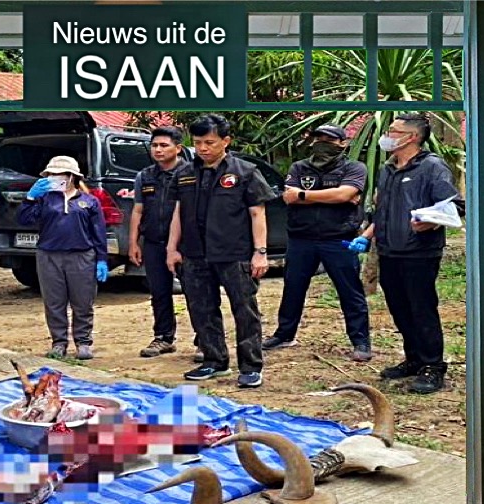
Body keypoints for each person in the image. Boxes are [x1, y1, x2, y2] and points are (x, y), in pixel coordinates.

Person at [348, 113, 463, 394]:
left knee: (421, 309)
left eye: (394, 130)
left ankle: (433, 366)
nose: (387, 134)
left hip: (419, 253)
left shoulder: (432, 168)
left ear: (412, 137)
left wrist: (432, 221)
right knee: (399, 308)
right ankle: (413, 359)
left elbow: (455, 206)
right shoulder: (388, 168)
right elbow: (381, 209)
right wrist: (365, 237)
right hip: (389, 250)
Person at [166, 114, 276, 389]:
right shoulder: (184, 173)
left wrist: (260, 252)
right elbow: (178, 212)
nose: (203, 148)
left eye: (210, 142)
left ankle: (251, 366)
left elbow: (257, 213)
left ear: (226, 141)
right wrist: (172, 248)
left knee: (245, 310)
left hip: (234, 254)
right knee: (201, 309)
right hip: (195, 254)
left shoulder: (245, 171)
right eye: (198, 142)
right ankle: (214, 360)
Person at [263, 124, 372, 362]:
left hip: (339, 239)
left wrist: (304, 196)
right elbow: (288, 197)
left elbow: (344, 194)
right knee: (293, 289)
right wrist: (332, 196)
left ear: (343, 143)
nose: (322, 142)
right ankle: (284, 334)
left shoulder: (354, 168)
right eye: (319, 138)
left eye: (329, 139)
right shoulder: (300, 167)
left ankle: (361, 341)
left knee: (350, 291)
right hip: (302, 238)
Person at [17, 156, 109, 360]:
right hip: (49, 255)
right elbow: (24, 220)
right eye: (51, 174)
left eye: (60, 174)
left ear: (71, 176)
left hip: (82, 256)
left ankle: (83, 342)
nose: (55, 177)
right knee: (54, 302)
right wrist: (30, 198)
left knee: (83, 302)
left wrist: (101, 259)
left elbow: (99, 232)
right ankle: (59, 342)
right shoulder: (44, 199)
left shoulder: (89, 201)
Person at [128, 126, 196, 358]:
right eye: (155, 145)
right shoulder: (144, 176)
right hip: (154, 243)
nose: (158, 150)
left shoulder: (192, 173)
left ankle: (204, 340)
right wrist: (133, 243)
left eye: (163, 145)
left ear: (178, 148)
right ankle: (164, 337)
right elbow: (137, 211)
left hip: (187, 245)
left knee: (195, 292)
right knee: (159, 292)